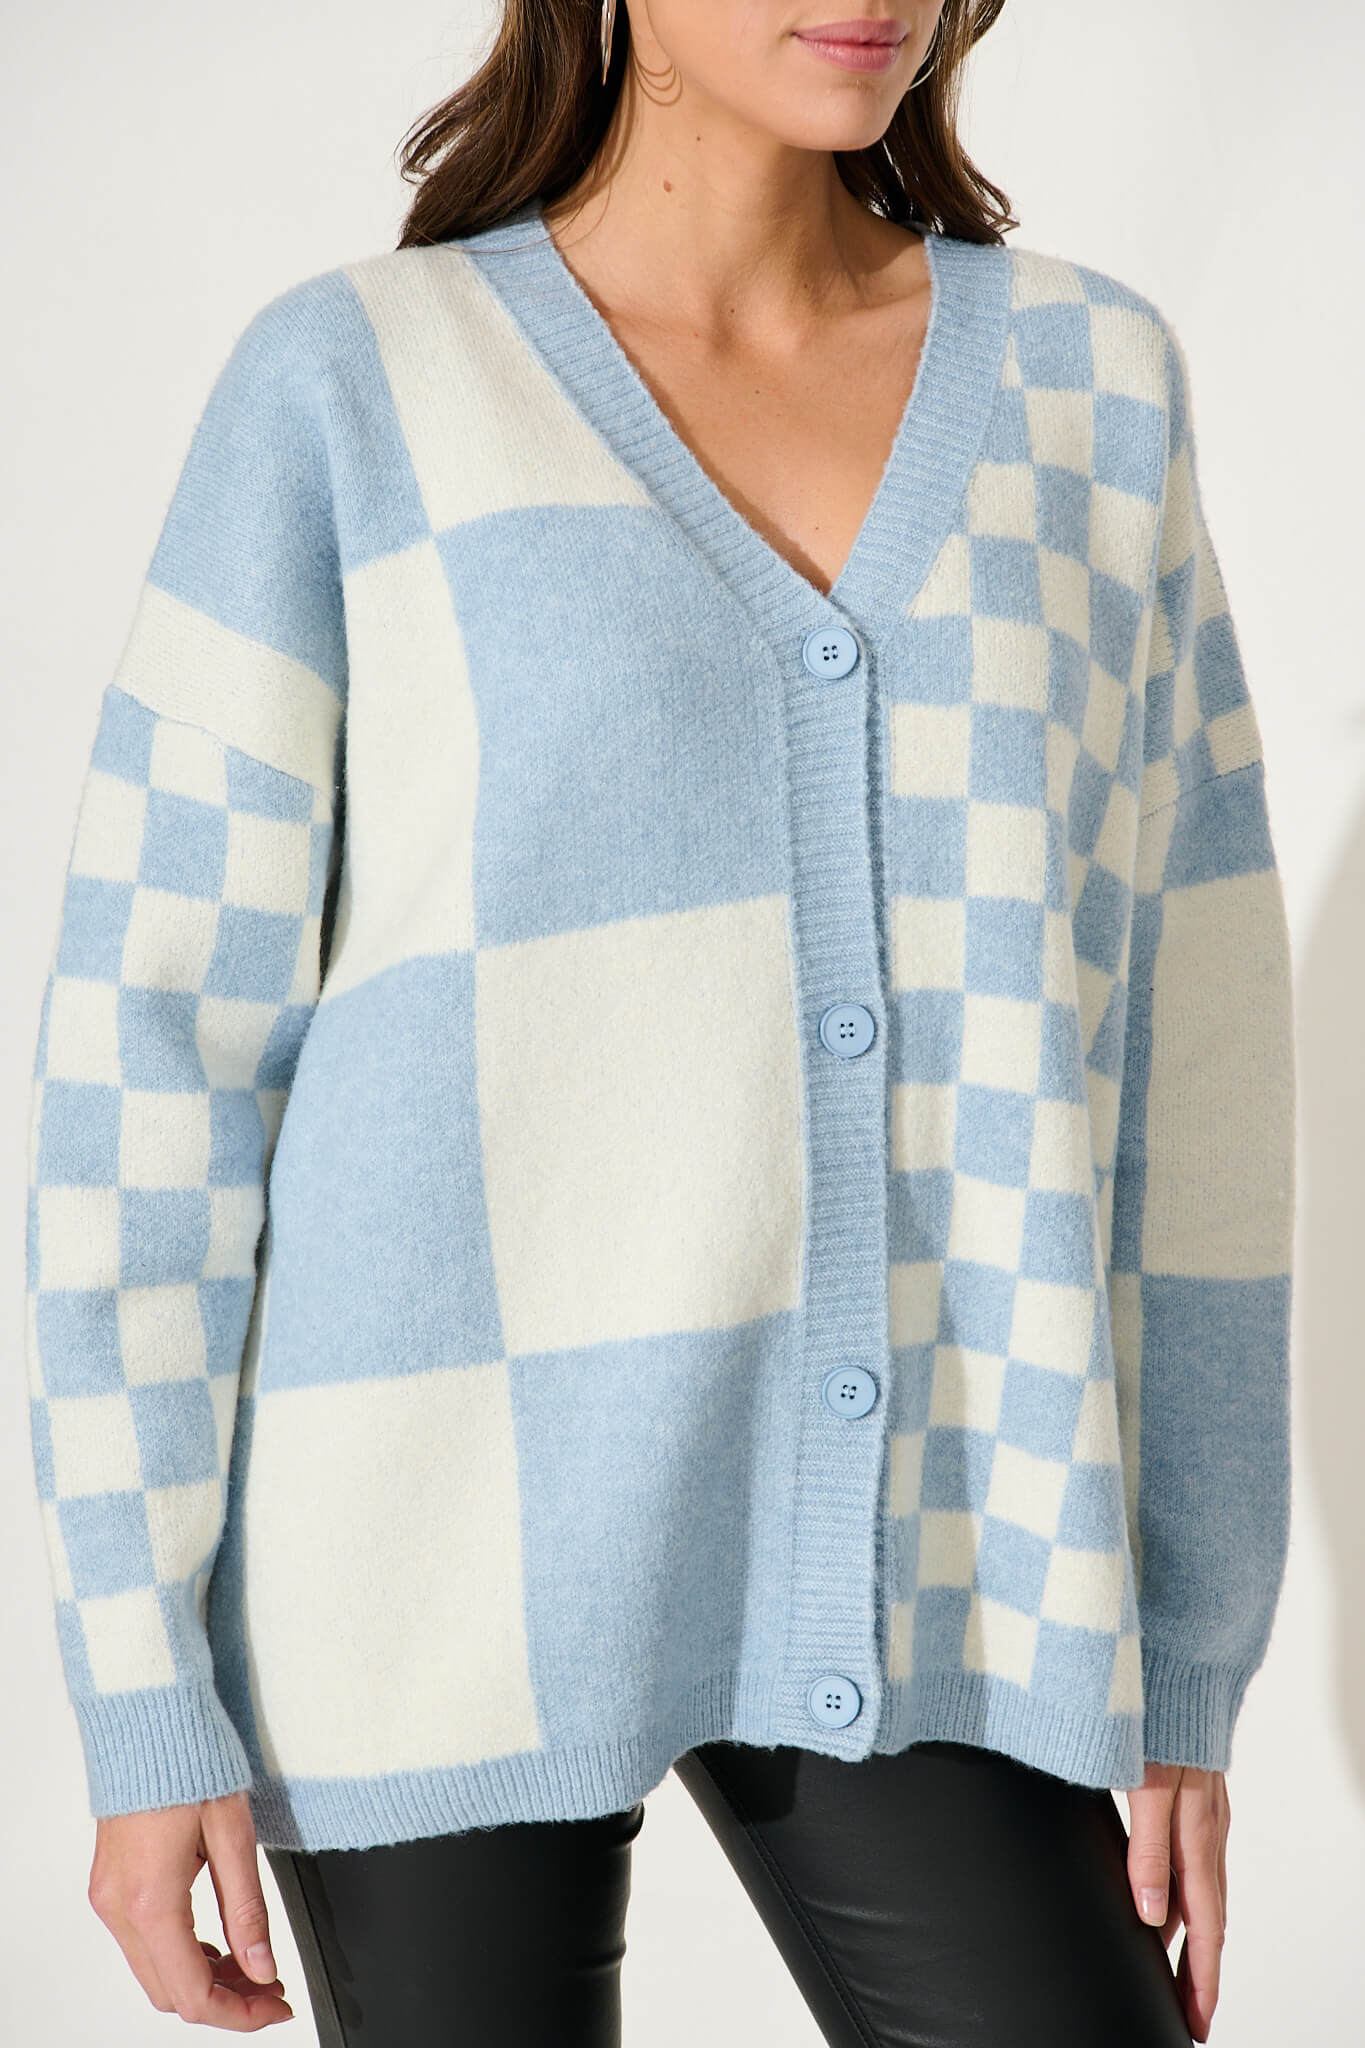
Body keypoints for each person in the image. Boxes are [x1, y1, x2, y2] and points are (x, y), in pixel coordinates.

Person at [23, 2, 1296, 2042]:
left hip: (962, 1543)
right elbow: (151, 1066)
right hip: (424, 1562)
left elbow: (1193, 1064)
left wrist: (1181, 1656)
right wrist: (141, 1686)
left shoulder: (1090, 387)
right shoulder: (360, 386)